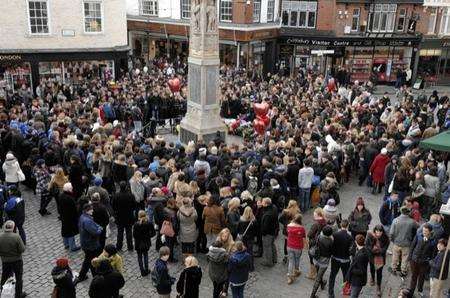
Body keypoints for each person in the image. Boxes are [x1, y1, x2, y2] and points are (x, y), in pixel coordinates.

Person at [75, 203, 103, 284]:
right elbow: (95, 232)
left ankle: (83, 275)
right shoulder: (87, 221)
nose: (93, 210)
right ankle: (94, 277)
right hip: (90, 244)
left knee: (88, 259)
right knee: (91, 260)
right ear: (87, 211)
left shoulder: (83, 216)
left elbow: (94, 225)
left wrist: (97, 227)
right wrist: (100, 229)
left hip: (86, 243)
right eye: (91, 209)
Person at [389, 206, 418, 277]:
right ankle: (403, 271)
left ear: (401, 211)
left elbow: (391, 233)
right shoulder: (411, 222)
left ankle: (393, 269)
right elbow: (418, 227)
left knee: (395, 256)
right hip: (407, 243)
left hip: (397, 242)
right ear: (408, 213)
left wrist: (393, 240)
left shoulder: (395, 220)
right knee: (405, 258)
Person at [0, 221, 26, 298]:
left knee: (4, 277)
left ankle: (2, 291)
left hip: (5, 261)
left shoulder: (0, 237)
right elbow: (22, 249)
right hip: (17, 260)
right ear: (13, 227)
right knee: (18, 278)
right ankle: (18, 294)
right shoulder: (16, 237)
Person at [408, 223, 435, 296]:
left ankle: (420, 289)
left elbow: (433, 253)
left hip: (424, 263)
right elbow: (412, 246)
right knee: (414, 276)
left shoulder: (433, 241)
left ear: (430, 232)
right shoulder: (418, 236)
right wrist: (410, 257)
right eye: (423, 230)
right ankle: (411, 291)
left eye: (426, 231)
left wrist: (429, 261)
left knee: (421, 277)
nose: (424, 232)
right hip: (414, 260)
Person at [328, 219, 353, 298]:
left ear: (341, 225)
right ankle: (345, 292)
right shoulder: (350, 237)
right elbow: (351, 250)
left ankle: (330, 293)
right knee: (345, 277)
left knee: (332, 276)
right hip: (345, 260)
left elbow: (331, 246)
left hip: (335, 258)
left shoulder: (335, 235)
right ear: (347, 226)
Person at [365, 225, 390, 297]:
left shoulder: (386, 238)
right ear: (374, 231)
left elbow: (385, 248)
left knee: (379, 273)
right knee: (372, 268)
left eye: (380, 232)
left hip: (380, 257)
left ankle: (378, 286)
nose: (378, 233)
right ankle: (372, 278)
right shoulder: (370, 236)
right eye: (377, 232)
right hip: (372, 257)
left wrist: (379, 251)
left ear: (382, 232)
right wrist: (372, 250)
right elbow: (367, 245)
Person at [310, 225, 334, 298]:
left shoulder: (319, 237)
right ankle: (312, 295)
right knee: (318, 277)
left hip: (316, 258)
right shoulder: (331, 241)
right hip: (324, 261)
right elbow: (332, 251)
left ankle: (322, 283)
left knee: (319, 274)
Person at [112, 181, 136, 251]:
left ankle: (119, 246)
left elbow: (113, 206)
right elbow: (134, 206)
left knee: (120, 232)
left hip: (119, 216)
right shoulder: (131, 195)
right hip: (129, 216)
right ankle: (130, 246)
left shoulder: (116, 196)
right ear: (126, 187)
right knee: (129, 232)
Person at [58, 183, 81, 251]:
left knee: (64, 230)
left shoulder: (61, 196)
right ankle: (72, 247)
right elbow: (74, 209)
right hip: (70, 218)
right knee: (71, 232)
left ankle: (66, 244)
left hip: (63, 216)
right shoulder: (70, 198)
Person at [133, 210, 155, 276]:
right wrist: (148, 236)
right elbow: (153, 233)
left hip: (138, 243)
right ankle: (146, 269)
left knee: (139, 257)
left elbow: (134, 235)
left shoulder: (136, 224)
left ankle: (142, 271)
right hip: (146, 242)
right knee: (145, 255)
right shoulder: (149, 223)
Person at [279, 200, 301, 264]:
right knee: (293, 243)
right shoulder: (298, 212)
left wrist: (285, 224)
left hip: (287, 230)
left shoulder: (285, 212)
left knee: (286, 243)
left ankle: (286, 256)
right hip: (295, 230)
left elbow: (280, 219)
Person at [307, 207, 326, 280]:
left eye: (314, 213)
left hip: (314, 243)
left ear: (318, 214)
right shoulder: (324, 222)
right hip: (321, 242)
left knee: (312, 257)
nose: (313, 215)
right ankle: (316, 273)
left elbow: (309, 234)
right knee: (318, 258)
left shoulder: (316, 224)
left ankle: (312, 274)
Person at [286, 214, 306, 284]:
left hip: (289, 246)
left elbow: (287, 233)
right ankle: (296, 271)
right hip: (298, 247)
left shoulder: (288, 226)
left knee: (291, 261)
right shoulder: (301, 228)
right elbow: (303, 237)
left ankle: (289, 276)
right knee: (297, 259)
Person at [237, 206, 257, 271]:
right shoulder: (253, 221)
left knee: (244, 251)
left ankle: (244, 265)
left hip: (244, 238)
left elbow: (238, 229)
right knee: (250, 252)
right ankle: (251, 267)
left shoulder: (241, 220)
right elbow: (256, 230)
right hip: (251, 238)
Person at [260, 197, 278, 267]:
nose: (261, 203)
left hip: (268, 233)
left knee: (267, 247)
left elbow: (265, 227)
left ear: (266, 204)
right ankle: (274, 259)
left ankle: (269, 262)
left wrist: (263, 233)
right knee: (272, 245)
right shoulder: (274, 207)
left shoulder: (267, 215)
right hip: (273, 231)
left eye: (263, 202)